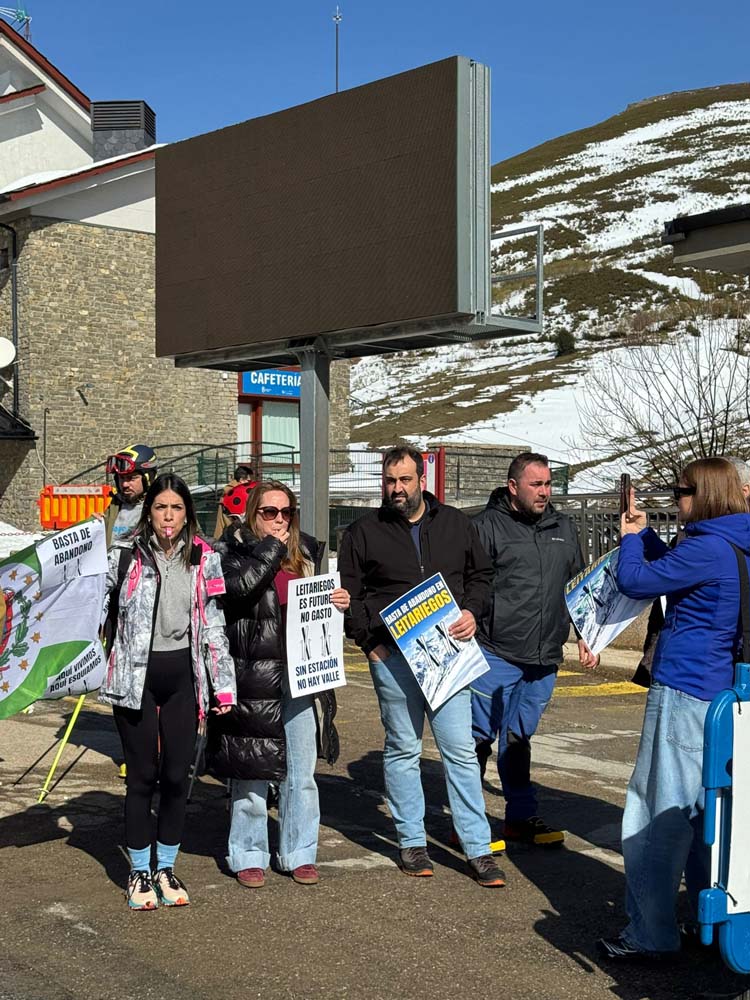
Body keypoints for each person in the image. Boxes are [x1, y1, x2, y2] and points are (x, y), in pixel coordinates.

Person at [597, 457, 750, 961]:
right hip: (725, 697)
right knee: (713, 815)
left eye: (680, 492)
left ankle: (650, 933)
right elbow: (675, 573)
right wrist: (646, 538)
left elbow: (636, 582)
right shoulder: (733, 541)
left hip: (684, 690)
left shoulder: (706, 547)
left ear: (702, 495)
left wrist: (628, 540)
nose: (674, 501)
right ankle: (714, 922)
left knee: (657, 815)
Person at [338, 446, 506, 887]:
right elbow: (349, 596)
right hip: (392, 660)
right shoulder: (362, 531)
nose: (397, 489)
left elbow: (481, 577)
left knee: (460, 753)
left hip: (449, 656)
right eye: (390, 480)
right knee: (403, 749)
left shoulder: (456, 524)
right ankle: (412, 842)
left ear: (422, 479)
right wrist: (368, 643)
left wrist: (472, 611)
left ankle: (477, 848)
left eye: (405, 480)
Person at [99, 473, 236, 910]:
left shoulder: (204, 558)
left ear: (188, 513)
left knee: (177, 777)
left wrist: (223, 686)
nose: (169, 516)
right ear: (149, 511)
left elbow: (214, 625)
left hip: (183, 676)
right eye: (161, 507)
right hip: (134, 678)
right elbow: (92, 604)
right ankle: (138, 872)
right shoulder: (124, 556)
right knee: (142, 777)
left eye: (177, 508)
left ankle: (165, 867)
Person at [207, 480, 348, 888]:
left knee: (301, 770)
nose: (280, 520)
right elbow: (237, 591)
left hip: (299, 674)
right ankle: (248, 852)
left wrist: (339, 602)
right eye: (270, 512)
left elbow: (316, 606)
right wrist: (270, 549)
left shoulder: (303, 552)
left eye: (287, 512)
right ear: (253, 513)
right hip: (253, 674)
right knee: (252, 768)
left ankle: (299, 851)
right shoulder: (228, 551)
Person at [470, 452, 597, 847]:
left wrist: (585, 633)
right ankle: (468, 825)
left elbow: (578, 584)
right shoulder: (485, 526)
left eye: (548, 484)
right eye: (536, 485)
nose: (544, 492)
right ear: (513, 487)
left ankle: (520, 818)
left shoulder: (563, 526)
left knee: (519, 738)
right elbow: (469, 585)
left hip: (545, 657)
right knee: (476, 739)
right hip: (495, 652)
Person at [104, 444, 158, 549]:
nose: (124, 484)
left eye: (131, 478)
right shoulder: (114, 507)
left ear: (147, 479)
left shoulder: (164, 508)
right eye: (121, 478)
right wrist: (95, 525)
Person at [213, 464, 257, 538]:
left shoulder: (229, 492)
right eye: (248, 481)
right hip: (232, 537)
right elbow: (230, 521)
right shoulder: (233, 494)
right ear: (241, 480)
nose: (250, 483)